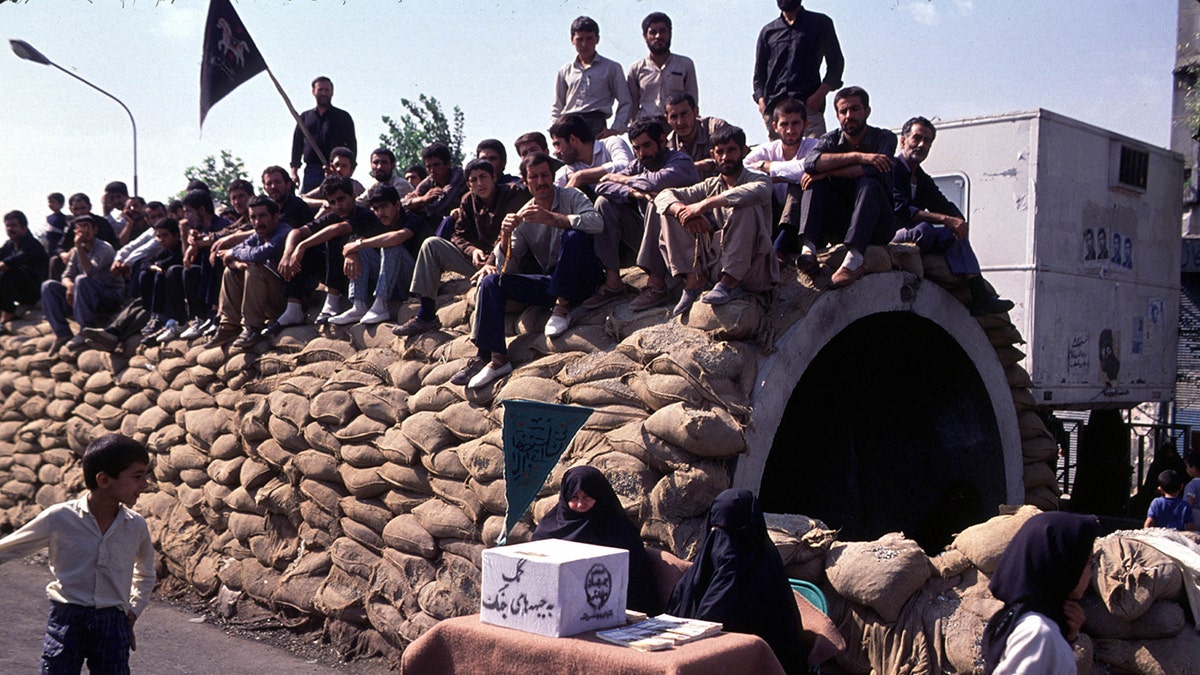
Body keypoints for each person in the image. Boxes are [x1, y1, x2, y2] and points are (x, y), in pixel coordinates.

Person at [0, 434, 154, 675]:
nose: (145, 484)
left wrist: (132, 612)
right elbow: (9, 548)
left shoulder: (135, 526)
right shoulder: (59, 518)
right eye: (137, 476)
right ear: (104, 479)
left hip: (113, 622)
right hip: (67, 619)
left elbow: (145, 574)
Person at [454, 152, 604, 389]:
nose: (541, 181)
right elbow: (508, 268)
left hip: (582, 276)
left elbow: (597, 222)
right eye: (534, 177)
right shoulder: (524, 214)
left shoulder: (571, 196)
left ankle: (563, 305)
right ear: (525, 181)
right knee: (491, 283)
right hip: (551, 282)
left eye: (545, 175)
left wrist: (556, 219)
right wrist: (505, 237)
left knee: (574, 234)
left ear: (553, 177)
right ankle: (497, 359)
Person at [667, 489, 808, 674]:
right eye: (715, 532)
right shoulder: (702, 571)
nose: (722, 543)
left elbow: (715, 623)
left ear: (749, 532)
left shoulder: (763, 576)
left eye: (728, 533)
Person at [648, 125, 779, 316]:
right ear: (713, 154)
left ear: (743, 151)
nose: (725, 157)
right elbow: (663, 195)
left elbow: (761, 190)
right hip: (716, 263)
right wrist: (682, 212)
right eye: (720, 152)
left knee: (745, 206)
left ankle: (730, 283)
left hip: (753, 267)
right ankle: (693, 282)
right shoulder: (710, 184)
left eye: (732, 150)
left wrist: (704, 205)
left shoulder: (758, 179)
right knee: (670, 209)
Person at [890, 116, 1015, 316]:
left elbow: (942, 203)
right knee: (925, 229)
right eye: (917, 138)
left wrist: (958, 221)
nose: (922, 145)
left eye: (927, 141)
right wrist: (945, 220)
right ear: (903, 141)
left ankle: (979, 296)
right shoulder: (891, 168)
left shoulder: (921, 178)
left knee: (951, 233)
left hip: (916, 234)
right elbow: (901, 209)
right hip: (889, 235)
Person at [394, 158, 530, 336]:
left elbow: (508, 232)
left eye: (483, 177)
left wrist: (490, 261)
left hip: (509, 259)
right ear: (468, 184)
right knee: (431, 244)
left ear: (494, 177)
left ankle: (486, 343)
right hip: (481, 261)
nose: (479, 183)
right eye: (473, 180)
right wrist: (473, 251)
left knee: (488, 289)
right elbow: (458, 235)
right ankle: (426, 315)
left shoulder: (512, 193)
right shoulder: (468, 200)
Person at [587, 117, 701, 310]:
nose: (642, 153)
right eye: (637, 148)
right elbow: (602, 185)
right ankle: (613, 282)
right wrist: (632, 192)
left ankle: (656, 284)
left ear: (662, 141)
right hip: (648, 237)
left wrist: (620, 179)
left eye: (647, 145)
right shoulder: (639, 165)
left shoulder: (681, 161)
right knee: (604, 203)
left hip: (683, 239)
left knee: (658, 200)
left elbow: (656, 181)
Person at [799, 86, 896, 287]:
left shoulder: (885, 138)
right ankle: (808, 250)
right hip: (841, 223)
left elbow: (875, 171)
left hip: (877, 224)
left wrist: (827, 171)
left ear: (867, 111)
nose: (849, 116)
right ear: (837, 115)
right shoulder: (830, 139)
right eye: (844, 111)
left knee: (869, 182)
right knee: (813, 181)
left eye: (855, 109)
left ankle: (854, 259)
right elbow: (811, 163)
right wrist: (859, 157)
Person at [532, 465, 662, 615]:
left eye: (587, 497)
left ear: (600, 495)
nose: (580, 504)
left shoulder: (620, 531)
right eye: (574, 497)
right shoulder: (550, 529)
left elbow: (637, 583)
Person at [982, 511, 1099, 675]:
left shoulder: (1026, 621)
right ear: (1064, 566)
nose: (1091, 572)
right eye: (1088, 562)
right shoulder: (1039, 634)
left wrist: (1068, 637)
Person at [81, 218, 184, 352]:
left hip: (173, 301)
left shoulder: (180, 248)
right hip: (159, 296)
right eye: (159, 236)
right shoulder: (164, 250)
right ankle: (112, 332)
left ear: (176, 235)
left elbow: (167, 264)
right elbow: (147, 264)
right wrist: (155, 267)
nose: (161, 240)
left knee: (146, 310)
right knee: (139, 303)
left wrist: (156, 267)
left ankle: (114, 336)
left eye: (165, 236)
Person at [207, 196, 294, 349]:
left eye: (262, 216)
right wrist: (237, 263)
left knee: (254, 268)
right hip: (266, 298)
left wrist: (235, 254)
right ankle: (229, 326)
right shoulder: (258, 234)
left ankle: (252, 328)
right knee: (230, 271)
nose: (257, 221)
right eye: (253, 217)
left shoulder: (284, 233)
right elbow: (235, 252)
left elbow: (257, 254)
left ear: (275, 216)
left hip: (287, 300)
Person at [330, 183, 419, 326]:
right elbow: (354, 240)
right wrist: (352, 252)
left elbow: (397, 237)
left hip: (412, 283)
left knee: (390, 244)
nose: (380, 212)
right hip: (389, 283)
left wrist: (359, 244)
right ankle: (359, 305)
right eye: (376, 208)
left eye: (384, 206)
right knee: (363, 250)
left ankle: (381, 304)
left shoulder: (412, 219)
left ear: (397, 205)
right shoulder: (377, 222)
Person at [753, 0, 843, 139]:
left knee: (814, 156)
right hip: (776, 110)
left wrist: (820, 94)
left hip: (808, 106)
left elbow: (836, 64)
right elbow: (759, 75)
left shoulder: (819, 23)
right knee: (780, 159)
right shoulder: (768, 31)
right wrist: (762, 103)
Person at [744, 98, 819, 259]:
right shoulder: (768, 149)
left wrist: (768, 168)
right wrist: (783, 176)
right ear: (775, 127)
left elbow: (805, 167)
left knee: (797, 187)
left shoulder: (814, 145)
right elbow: (744, 169)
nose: (790, 130)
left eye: (795, 124)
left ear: (806, 125)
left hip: (803, 219)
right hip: (771, 216)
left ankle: (780, 250)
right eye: (784, 124)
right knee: (760, 188)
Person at [42, 214, 125, 355]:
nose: (83, 231)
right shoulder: (76, 251)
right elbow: (66, 275)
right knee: (48, 286)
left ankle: (84, 330)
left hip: (108, 297)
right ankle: (62, 333)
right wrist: (69, 286)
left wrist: (78, 247)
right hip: (85, 298)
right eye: (79, 228)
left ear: (95, 230)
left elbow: (90, 272)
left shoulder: (105, 248)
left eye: (87, 226)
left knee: (81, 280)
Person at [551, 16, 632, 139]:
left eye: (589, 39)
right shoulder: (565, 71)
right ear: (572, 40)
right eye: (579, 39)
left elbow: (625, 101)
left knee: (597, 157)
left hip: (596, 123)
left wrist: (616, 129)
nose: (584, 44)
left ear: (597, 39)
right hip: (569, 125)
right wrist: (555, 132)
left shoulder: (611, 68)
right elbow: (557, 105)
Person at [626, 12, 698, 121]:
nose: (658, 36)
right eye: (653, 32)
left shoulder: (685, 64)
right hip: (647, 125)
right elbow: (632, 105)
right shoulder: (636, 69)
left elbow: (692, 100)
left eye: (663, 31)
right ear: (645, 37)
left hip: (677, 124)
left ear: (670, 34)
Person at [291, 76, 357, 192]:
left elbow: (352, 145)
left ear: (332, 92)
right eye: (320, 90)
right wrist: (294, 172)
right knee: (307, 203)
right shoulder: (305, 118)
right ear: (313, 92)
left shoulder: (342, 117)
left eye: (327, 90)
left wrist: (349, 169)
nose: (324, 93)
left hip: (336, 170)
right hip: (311, 171)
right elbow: (297, 146)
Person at [550, 114, 634, 192]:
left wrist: (581, 176)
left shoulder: (611, 143)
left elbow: (626, 165)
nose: (556, 152)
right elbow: (558, 186)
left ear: (572, 139)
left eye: (558, 144)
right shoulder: (572, 166)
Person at [401, 142, 467, 234]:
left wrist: (417, 204)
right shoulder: (430, 180)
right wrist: (422, 199)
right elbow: (403, 204)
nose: (432, 170)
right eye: (428, 166)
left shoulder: (458, 176)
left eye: (436, 165)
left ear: (447, 164)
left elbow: (440, 204)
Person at [665, 93, 732, 179]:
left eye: (684, 114)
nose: (680, 122)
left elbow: (736, 156)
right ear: (667, 119)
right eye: (674, 117)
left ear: (696, 111)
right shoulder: (668, 146)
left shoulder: (716, 128)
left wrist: (693, 166)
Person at [0, 210, 49, 327]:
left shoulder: (32, 244)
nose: (10, 229)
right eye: (8, 226)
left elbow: (15, 261)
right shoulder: (9, 245)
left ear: (24, 228)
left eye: (14, 226)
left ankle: (8, 313)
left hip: (34, 291)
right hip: (18, 289)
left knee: (8, 271)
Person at [1185, 451, 1200, 527]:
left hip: (1195, 518)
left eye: (1187, 466)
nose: (1186, 469)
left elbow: (1189, 503)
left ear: (1193, 468)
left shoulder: (1192, 485)